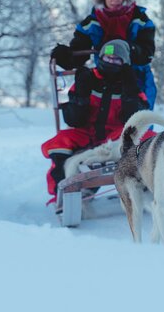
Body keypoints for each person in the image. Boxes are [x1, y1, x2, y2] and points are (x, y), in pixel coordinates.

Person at [41, 40, 148, 204]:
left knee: (149, 139)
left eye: (116, 60)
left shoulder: (130, 83)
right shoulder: (87, 78)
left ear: (124, 63)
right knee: (60, 142)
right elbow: (73, 120)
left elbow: (138, 119)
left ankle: (153, 186)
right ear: (101, 58)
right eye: (108, 57)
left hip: (115, 136)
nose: (111, 62)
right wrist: (81, 98)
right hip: (86, 132)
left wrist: (130, 94)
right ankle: (61, 192)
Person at [50, 0, 157, 109]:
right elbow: (79, 53)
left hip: (137, 78)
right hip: (104, 77)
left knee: (138, 125)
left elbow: (146, 54)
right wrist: (66, 56)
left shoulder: (141, 21)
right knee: (100, 123)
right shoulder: (92, 23)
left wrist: (124, 48)